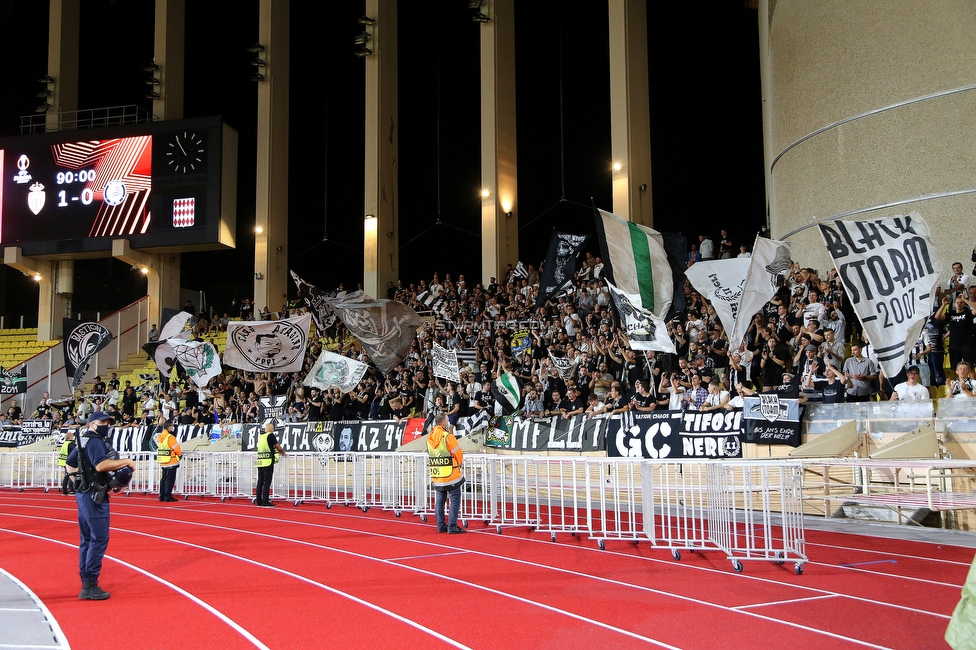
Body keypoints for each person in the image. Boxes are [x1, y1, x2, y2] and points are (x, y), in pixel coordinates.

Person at [64, 411, 136, 600]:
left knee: (87, 538)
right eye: (102, 422)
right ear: (92, 424)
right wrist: (127, 462)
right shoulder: (95, 442)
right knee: (99, 538)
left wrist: (77, 482)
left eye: (108, 422)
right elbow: (100, 465)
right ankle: (90, 584)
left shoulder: (84, 440)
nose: (106, 425)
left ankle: (86, 580)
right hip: (94, 496)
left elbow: (69, 463)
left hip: (84, 493)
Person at [426, 413, 465, 534]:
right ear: (443, 423)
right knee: (455, 499)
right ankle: (452, 525)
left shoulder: (430, 438)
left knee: (439, 501)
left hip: (438, 475)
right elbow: (457, 452)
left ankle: (441, 525)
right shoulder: (447, 436)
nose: (448, 423)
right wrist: (460, 463)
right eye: (447, 421)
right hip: (451, 474)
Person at [255, 422, 285, 507]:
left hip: (260, 461)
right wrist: (282, 452)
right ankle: (265, 501)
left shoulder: (261, 436)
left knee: (260, 482)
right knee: (267, 482)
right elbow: (277, 446)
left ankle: (259, 501)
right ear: (271, 429)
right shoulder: (270, 435)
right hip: (268, 461)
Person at [156, 419, 182, 502]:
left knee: (164, 479)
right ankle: (167, 496)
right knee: (169, 480)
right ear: (169, 427)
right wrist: (180, 455)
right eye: (172, 426)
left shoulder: (161, 437)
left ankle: (162, 495)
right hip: (171, 461)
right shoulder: (170, 437)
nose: (173, 428)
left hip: (163, 460)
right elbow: (176, 448)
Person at [57, 428, 76, 495]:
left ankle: (64, 489)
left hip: (63, 461)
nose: (73, 437)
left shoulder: (65, 443)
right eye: (72, 436)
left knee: (67, 475)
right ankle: (71, 489)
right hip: (69, 462)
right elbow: (75, 452)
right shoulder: (71, 444)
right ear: (70, 437)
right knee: (71, 475)